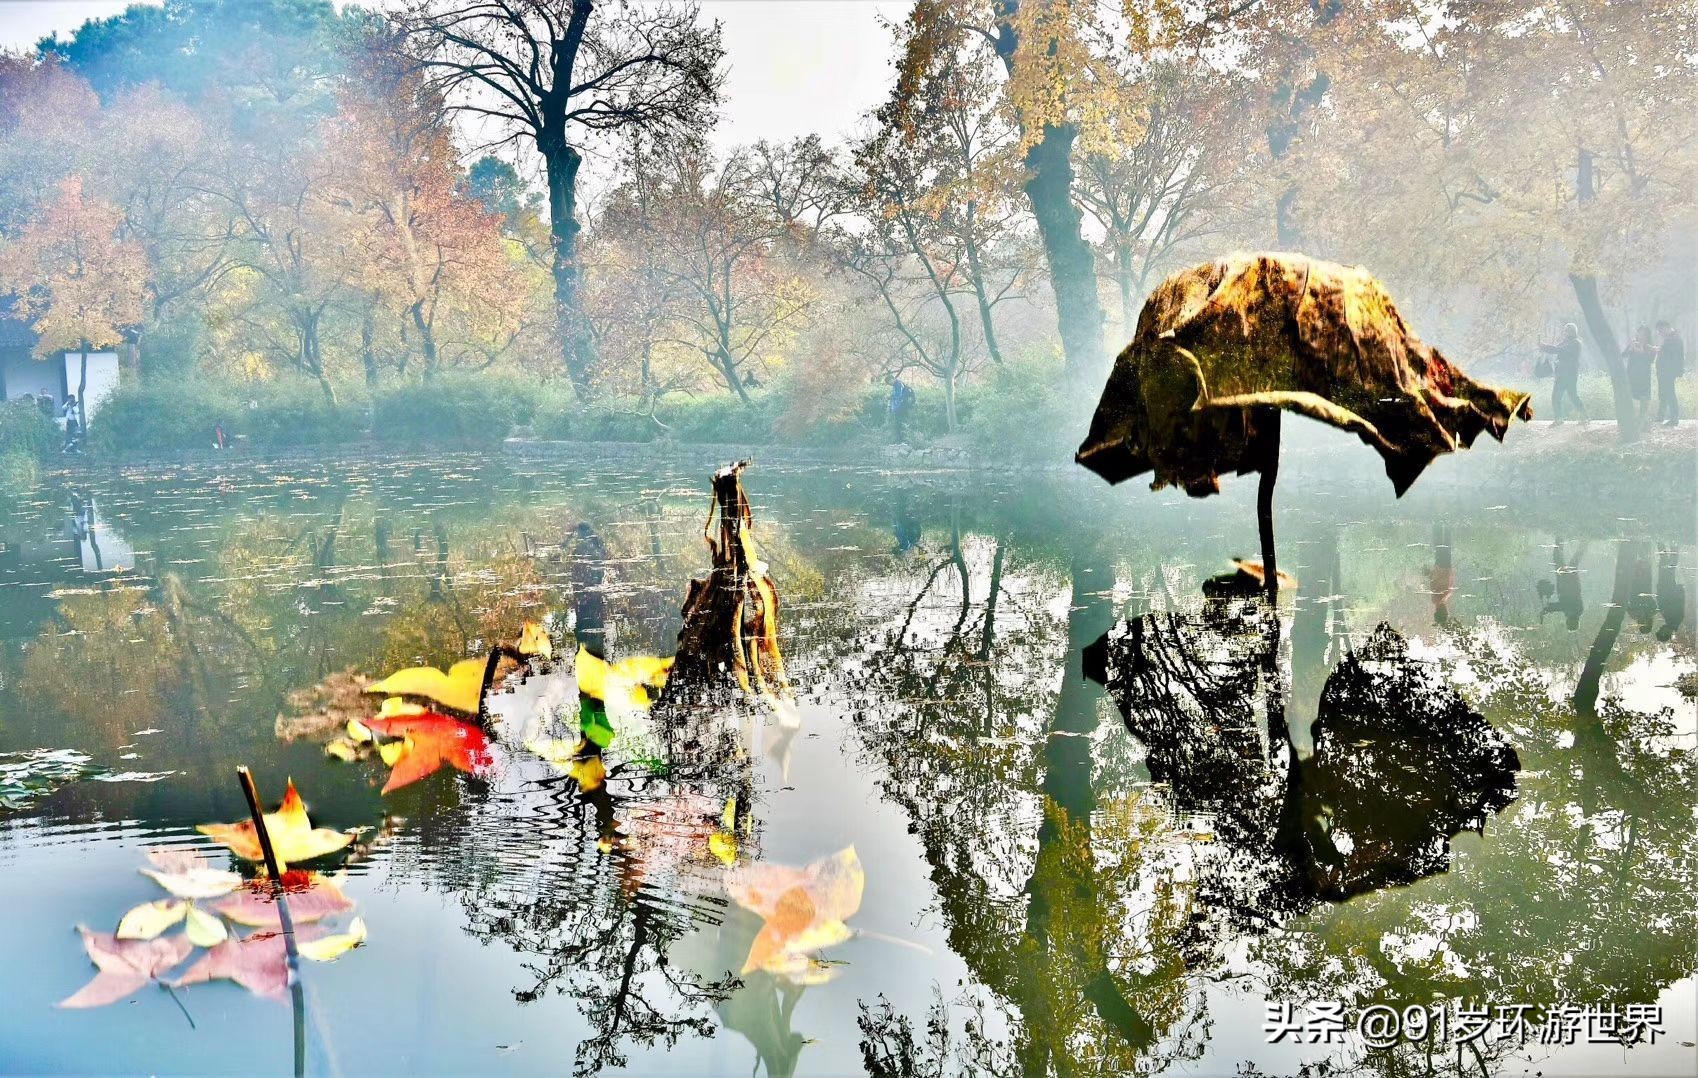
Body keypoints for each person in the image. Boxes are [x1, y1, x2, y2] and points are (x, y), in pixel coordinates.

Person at [1538, 323, 1584, 422]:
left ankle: (1584, 416)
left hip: (1570, 375)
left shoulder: (1576, 343)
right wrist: (1543, 347)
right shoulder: (1565, 342)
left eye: (1567, 330)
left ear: (1573, 331)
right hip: (1561, 375)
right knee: (1555, 397)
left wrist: (1544, 346)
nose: (1565, 332)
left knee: (1573, 396)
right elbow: (1555, 349)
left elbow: (1558, 350)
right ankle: (1559, 419)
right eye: (1565, 330)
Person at [1624, 325, 1656, 425]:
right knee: (1629, 396)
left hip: (1644, 376)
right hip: (1632, 375)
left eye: (1643, 334)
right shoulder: (1634, 345)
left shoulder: (1649, 347)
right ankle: (1631, 419)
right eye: (1639, 333)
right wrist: (1630, 346)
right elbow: (1623, 355)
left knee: (1644, 398)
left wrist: (1642, 352)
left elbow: (1650, 360)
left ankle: (1642, 420)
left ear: (1647, 336)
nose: (1641, 336)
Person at [1655, 320, 1684, 426]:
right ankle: (1660, 416)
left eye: (1660, 331)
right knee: (1663, 393)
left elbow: (1672, 355)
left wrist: (1660, 350)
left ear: (1666, 327)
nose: (1660, 333)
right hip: (1664, 371)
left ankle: (1674, 419)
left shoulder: (1675, 338)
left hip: (1669, 371)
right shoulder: (1669, 338)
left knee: (1670, 393)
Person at [887, 374, 915, 443]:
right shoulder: (896, 385)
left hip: (902, 407)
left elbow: (898, 396)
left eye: (889, 382)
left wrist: (890, 397)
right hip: (900, 407)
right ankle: (900, 440)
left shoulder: (899, 384)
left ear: (892, 379)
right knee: (898, 423)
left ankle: (902, 440)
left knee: (900, 423)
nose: (889, 384)